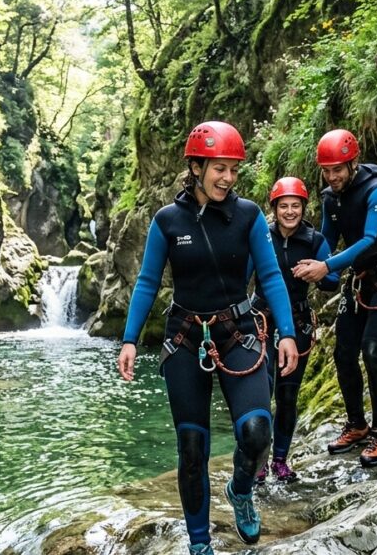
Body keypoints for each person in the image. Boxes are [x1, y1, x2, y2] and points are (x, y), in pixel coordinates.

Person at [116, 121, 300, 555]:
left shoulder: (250, 215)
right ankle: (200, 545)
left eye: (234, 169)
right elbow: (146, 282)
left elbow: (271, 275)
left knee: (256, 430)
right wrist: (129, 339)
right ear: (196, 166)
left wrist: (287, 333)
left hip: (239, 331)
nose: (229, 178)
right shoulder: (167, 221)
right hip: (185, 336)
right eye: (220, 168)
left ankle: (240, 489)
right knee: (193, 447)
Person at [292, 128, 377, 468]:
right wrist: (324, 276)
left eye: (338, 170)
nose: (332, 177)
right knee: (343, 353)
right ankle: (357, 424)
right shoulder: (331, 198)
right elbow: (327, 241)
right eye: (326, 171)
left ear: (353, 163)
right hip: (360, 282)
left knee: (373, 351)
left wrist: (327, 266)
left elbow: (372, 241)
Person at [251, 177, 338, 484]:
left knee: (287, 396)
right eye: (284, 206)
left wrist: (318, 271)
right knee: (260, 394)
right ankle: (259, 461)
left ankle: (280, 461)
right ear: (274, 208)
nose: (290, 212)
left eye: (295, 206)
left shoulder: (314, 240)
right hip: (261, 320)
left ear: (304, 207)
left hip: (297, 322)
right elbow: (244, 276)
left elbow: (333, 279)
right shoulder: (261, 236)